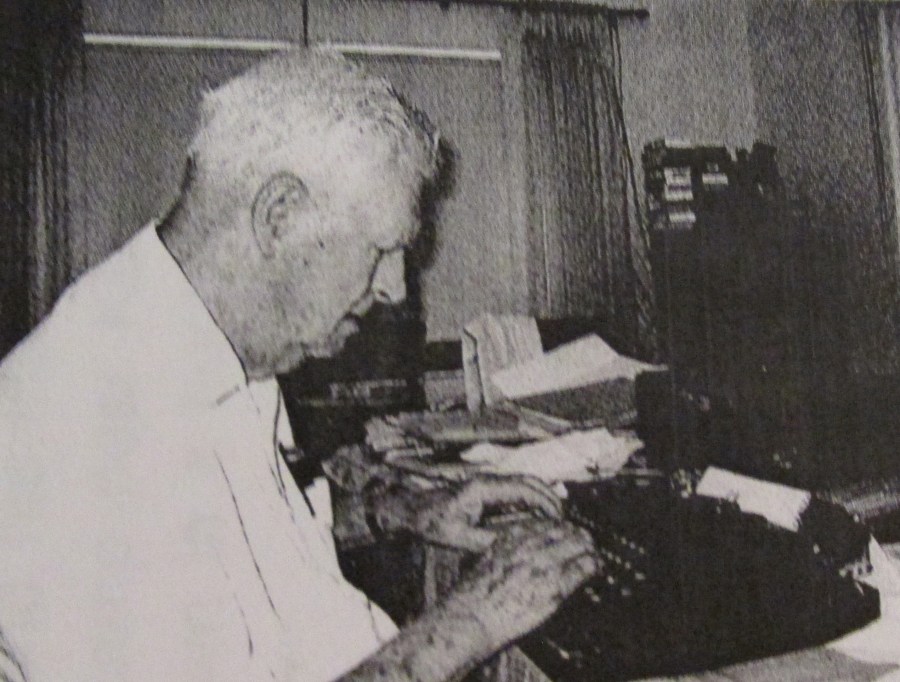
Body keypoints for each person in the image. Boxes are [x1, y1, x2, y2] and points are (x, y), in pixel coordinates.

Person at [0, 49, 600, 681]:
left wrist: (395, 510)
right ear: (279, 216)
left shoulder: (216, 341)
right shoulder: (77, 438)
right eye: (381, 249)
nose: (395, 286)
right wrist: (470, 624)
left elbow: (250, 540)